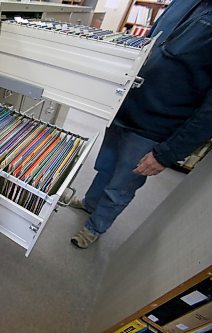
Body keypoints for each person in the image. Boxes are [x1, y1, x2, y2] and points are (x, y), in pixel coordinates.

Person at [69, 0, 212, 249]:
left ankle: (95, 227)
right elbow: (148, 42)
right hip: (125, 107)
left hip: (155, 127)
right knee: (105, 166)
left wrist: (167, 154)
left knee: (121, 185)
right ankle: (90, 204)